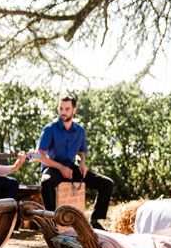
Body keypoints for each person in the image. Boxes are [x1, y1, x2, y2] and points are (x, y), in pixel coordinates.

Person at [36, 93, 113, 230]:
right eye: (61, 108)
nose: (63, 112)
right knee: (46, 182)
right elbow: (40, 154)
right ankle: (52, 221)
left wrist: (82, 162)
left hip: (71, 168)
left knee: (106, 183)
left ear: (74, 110)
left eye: (67, 109)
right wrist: (60, 167)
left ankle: (95, 221)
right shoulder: (49, 129)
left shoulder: (80, 131)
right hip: (53, 167)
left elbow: (81, 152)